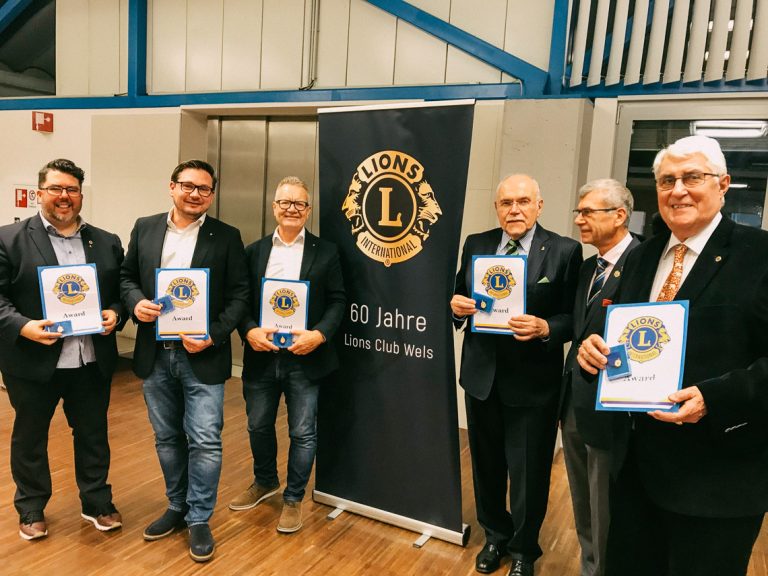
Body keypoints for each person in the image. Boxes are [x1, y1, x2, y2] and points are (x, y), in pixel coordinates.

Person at [577, 135, 768, 576]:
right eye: (667, 180)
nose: (677, 190)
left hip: (717, 481)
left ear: (723, 184)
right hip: (637, 474)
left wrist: (713, 398)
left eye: (692, 177)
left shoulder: (760, 255)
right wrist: (593, 353)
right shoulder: (641, 257)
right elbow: (618, 337)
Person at [451, 174, 582, 576]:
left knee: (529, 473)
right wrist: (456, 308)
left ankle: (524, 549)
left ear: (539, 206)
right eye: (506, 202)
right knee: (487, 468)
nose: (514, 210)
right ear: (496, 208)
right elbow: (458, 295)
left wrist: (546, 328)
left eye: (523, 201)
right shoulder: (476, 243)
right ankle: (495, 536)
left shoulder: (564, 250)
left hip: (533, 384)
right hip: (482, 379)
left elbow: (574, 317)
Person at [120, 159, 248, 562]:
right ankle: (176, 506)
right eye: (188, 186)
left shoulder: (227, 236)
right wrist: (135, 302)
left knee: (206, 440)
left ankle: (199, 517)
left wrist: (213, 333)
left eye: (204, 189)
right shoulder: (145, 227)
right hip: (155, 354)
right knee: (167, 438)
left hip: (203, 355)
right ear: (172, 186)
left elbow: (240, 295)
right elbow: (126, 277)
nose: (195, 194)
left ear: (212, 195)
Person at [0, 158, 125, 540]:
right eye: (56, 188)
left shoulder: (106, 241)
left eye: (72, 189)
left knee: (93, 435)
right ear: (39, 193)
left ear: (81, 195)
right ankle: (31, 507)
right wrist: (23, 327)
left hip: (90, 359)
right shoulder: (9, 239)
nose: (64, 196)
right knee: (30, 437)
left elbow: (121, 292)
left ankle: (97, 502)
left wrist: (116, 313)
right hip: (33, 360)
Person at [229, 176, 345, 533]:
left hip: (305, 358)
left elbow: (338, 300)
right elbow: (240, 300)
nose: (292, 209)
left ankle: (293, 497)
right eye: (285, 202)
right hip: (262, 356)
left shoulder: (327, 252)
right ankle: (265, 482)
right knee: (257, 425)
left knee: (303, 432)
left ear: (308, 210)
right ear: (274, 207)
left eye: (299, 203)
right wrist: (249, 330)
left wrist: (319, 335)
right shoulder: (254, 251)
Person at [561, 179, 638, 576]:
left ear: (619, 215)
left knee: (605, 503)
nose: (579, 219)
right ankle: (590, 566)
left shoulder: (644, 262)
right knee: (582, 500)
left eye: (587, 212)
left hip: (613, 407)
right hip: (574, 400)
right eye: (579, 212)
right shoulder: (589, 267)